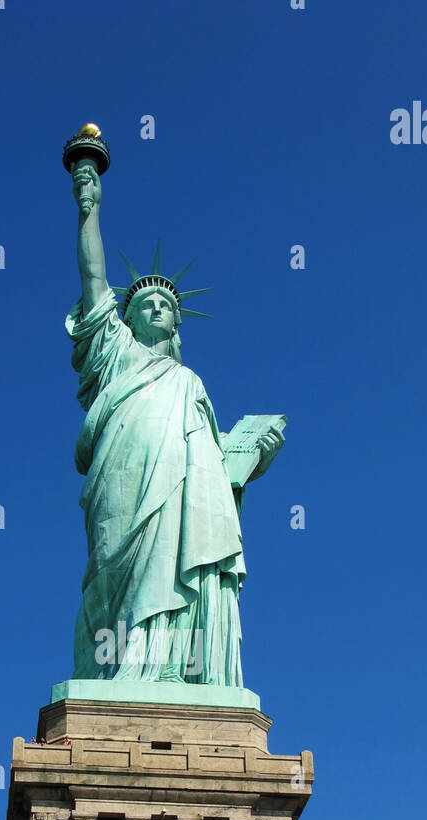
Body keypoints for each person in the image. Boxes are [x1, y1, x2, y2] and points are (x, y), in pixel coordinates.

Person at [67, 158, 283, 686]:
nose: (158, 308)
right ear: (129, 316)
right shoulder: (115, 353)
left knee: (176, 556)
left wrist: (245, 458)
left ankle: (168, 668)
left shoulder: (190, 384)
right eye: (146, 302)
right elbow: (95, 282)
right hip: (121, 485)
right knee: (115, 572)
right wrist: (88, 211)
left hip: (180, 493)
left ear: (177, 321)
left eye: (166, 303)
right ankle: (119, 667)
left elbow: (214, 475)